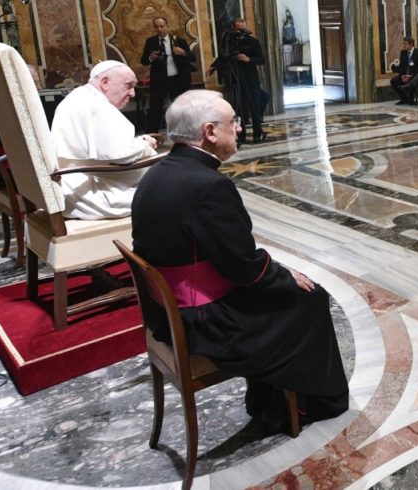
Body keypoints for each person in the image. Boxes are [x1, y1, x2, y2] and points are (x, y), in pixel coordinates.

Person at [131, 90, 349, 430]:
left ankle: (268, 399)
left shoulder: (161, 171)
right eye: (233, 121)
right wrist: (284, 275)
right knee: (310, 299)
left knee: (284, 293)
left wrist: (270, 272)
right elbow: (244, 267)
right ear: (210, 132)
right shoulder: (207, 185)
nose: (240, 128)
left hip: (169, 313)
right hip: (205, 324)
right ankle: (306, 405)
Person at [51, 60, 159, 219]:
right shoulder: (95, 105)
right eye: (128, 85)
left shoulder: (81, 96)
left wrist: (136, 143)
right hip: (89, 192)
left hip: (72, 183)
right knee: (170, 190)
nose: (133, 93)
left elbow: (106, 147)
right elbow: (121, 156)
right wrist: (146, 145)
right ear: (105, 82)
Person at [206, 18, 265, 143]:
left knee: (254, 105)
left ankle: (257, 133)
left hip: (250, 78)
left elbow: (261, 59)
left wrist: (248, 59)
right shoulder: (229, 42)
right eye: (237, 29)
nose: (240, 32)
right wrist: (214, 67)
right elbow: (223, 56)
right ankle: (241, 134)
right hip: (235, 78)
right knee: (239, 108)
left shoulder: (253, 41)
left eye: (242, 29)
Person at [140, 16, 194, 133]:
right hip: (159, 81)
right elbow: (144, 61)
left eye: (161, 26)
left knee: (182, 107)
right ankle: (152, 135)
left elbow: (193, 57)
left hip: (177, 80)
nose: (159, 29)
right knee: (155, 108)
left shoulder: (178, 41)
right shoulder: (151, 42)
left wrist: (183, 52)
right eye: (156, 27)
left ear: (167, 26)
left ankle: (187, 133)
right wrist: (151, 57)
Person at [391, 36, 418, 103]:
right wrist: (402, 76)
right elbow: (401, 66)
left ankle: (411, 98)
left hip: (415, 76)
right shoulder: (403, 52)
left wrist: (411, 76)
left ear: (411, 44)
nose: (403, 45)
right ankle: (404, 98)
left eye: (405, 44)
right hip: (404, 75)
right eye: (403, 44)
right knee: (393, 81)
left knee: (413, 80)